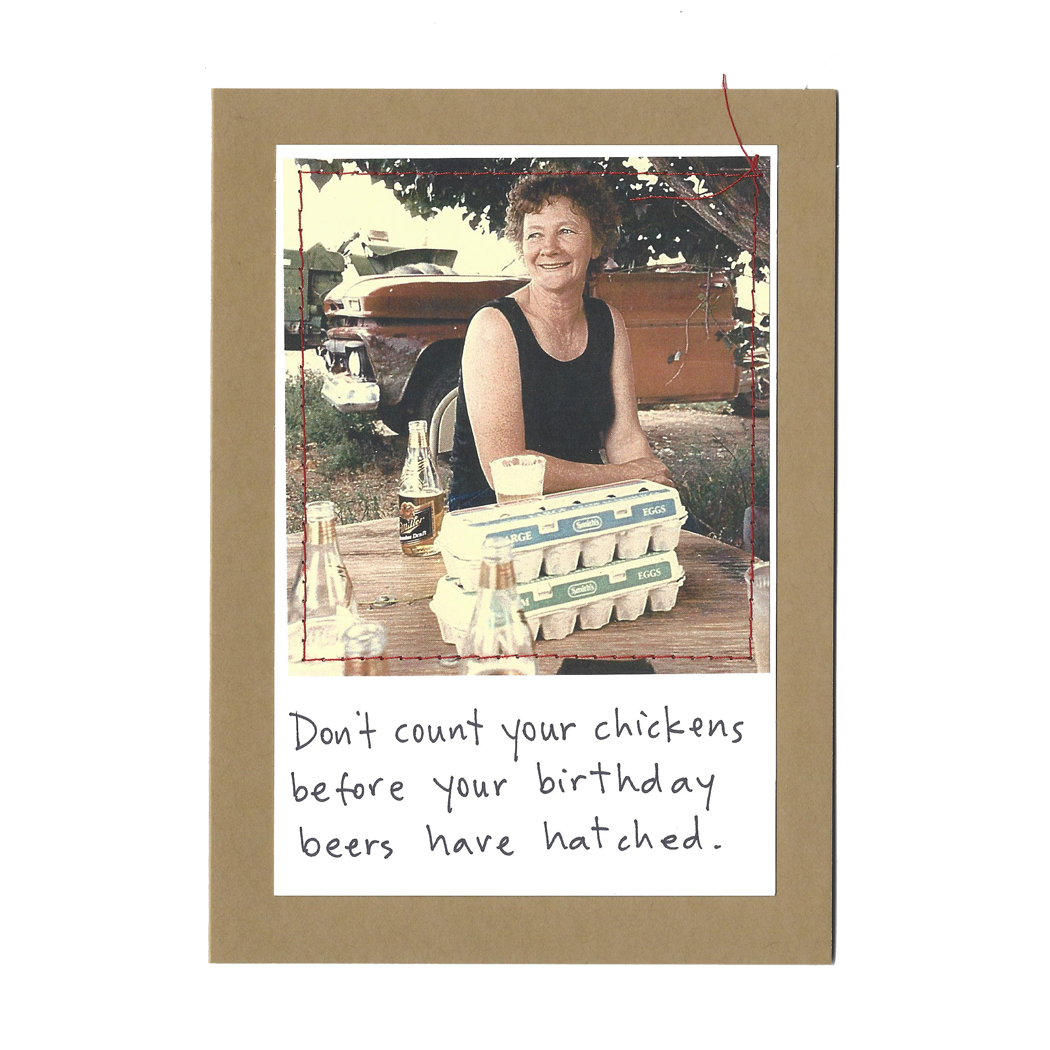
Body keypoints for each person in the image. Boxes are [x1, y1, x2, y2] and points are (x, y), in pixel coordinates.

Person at [448, 170, 672, 510]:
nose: (548, 248)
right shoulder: (494, 326)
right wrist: (624, 477)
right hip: (493, 508)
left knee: (682, 534)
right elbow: (505, 471)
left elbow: (625, 436)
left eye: (566, 231)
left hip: (587, 500)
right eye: (534, 235)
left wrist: (653, 486)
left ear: (596, 243)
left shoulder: (608, 321)